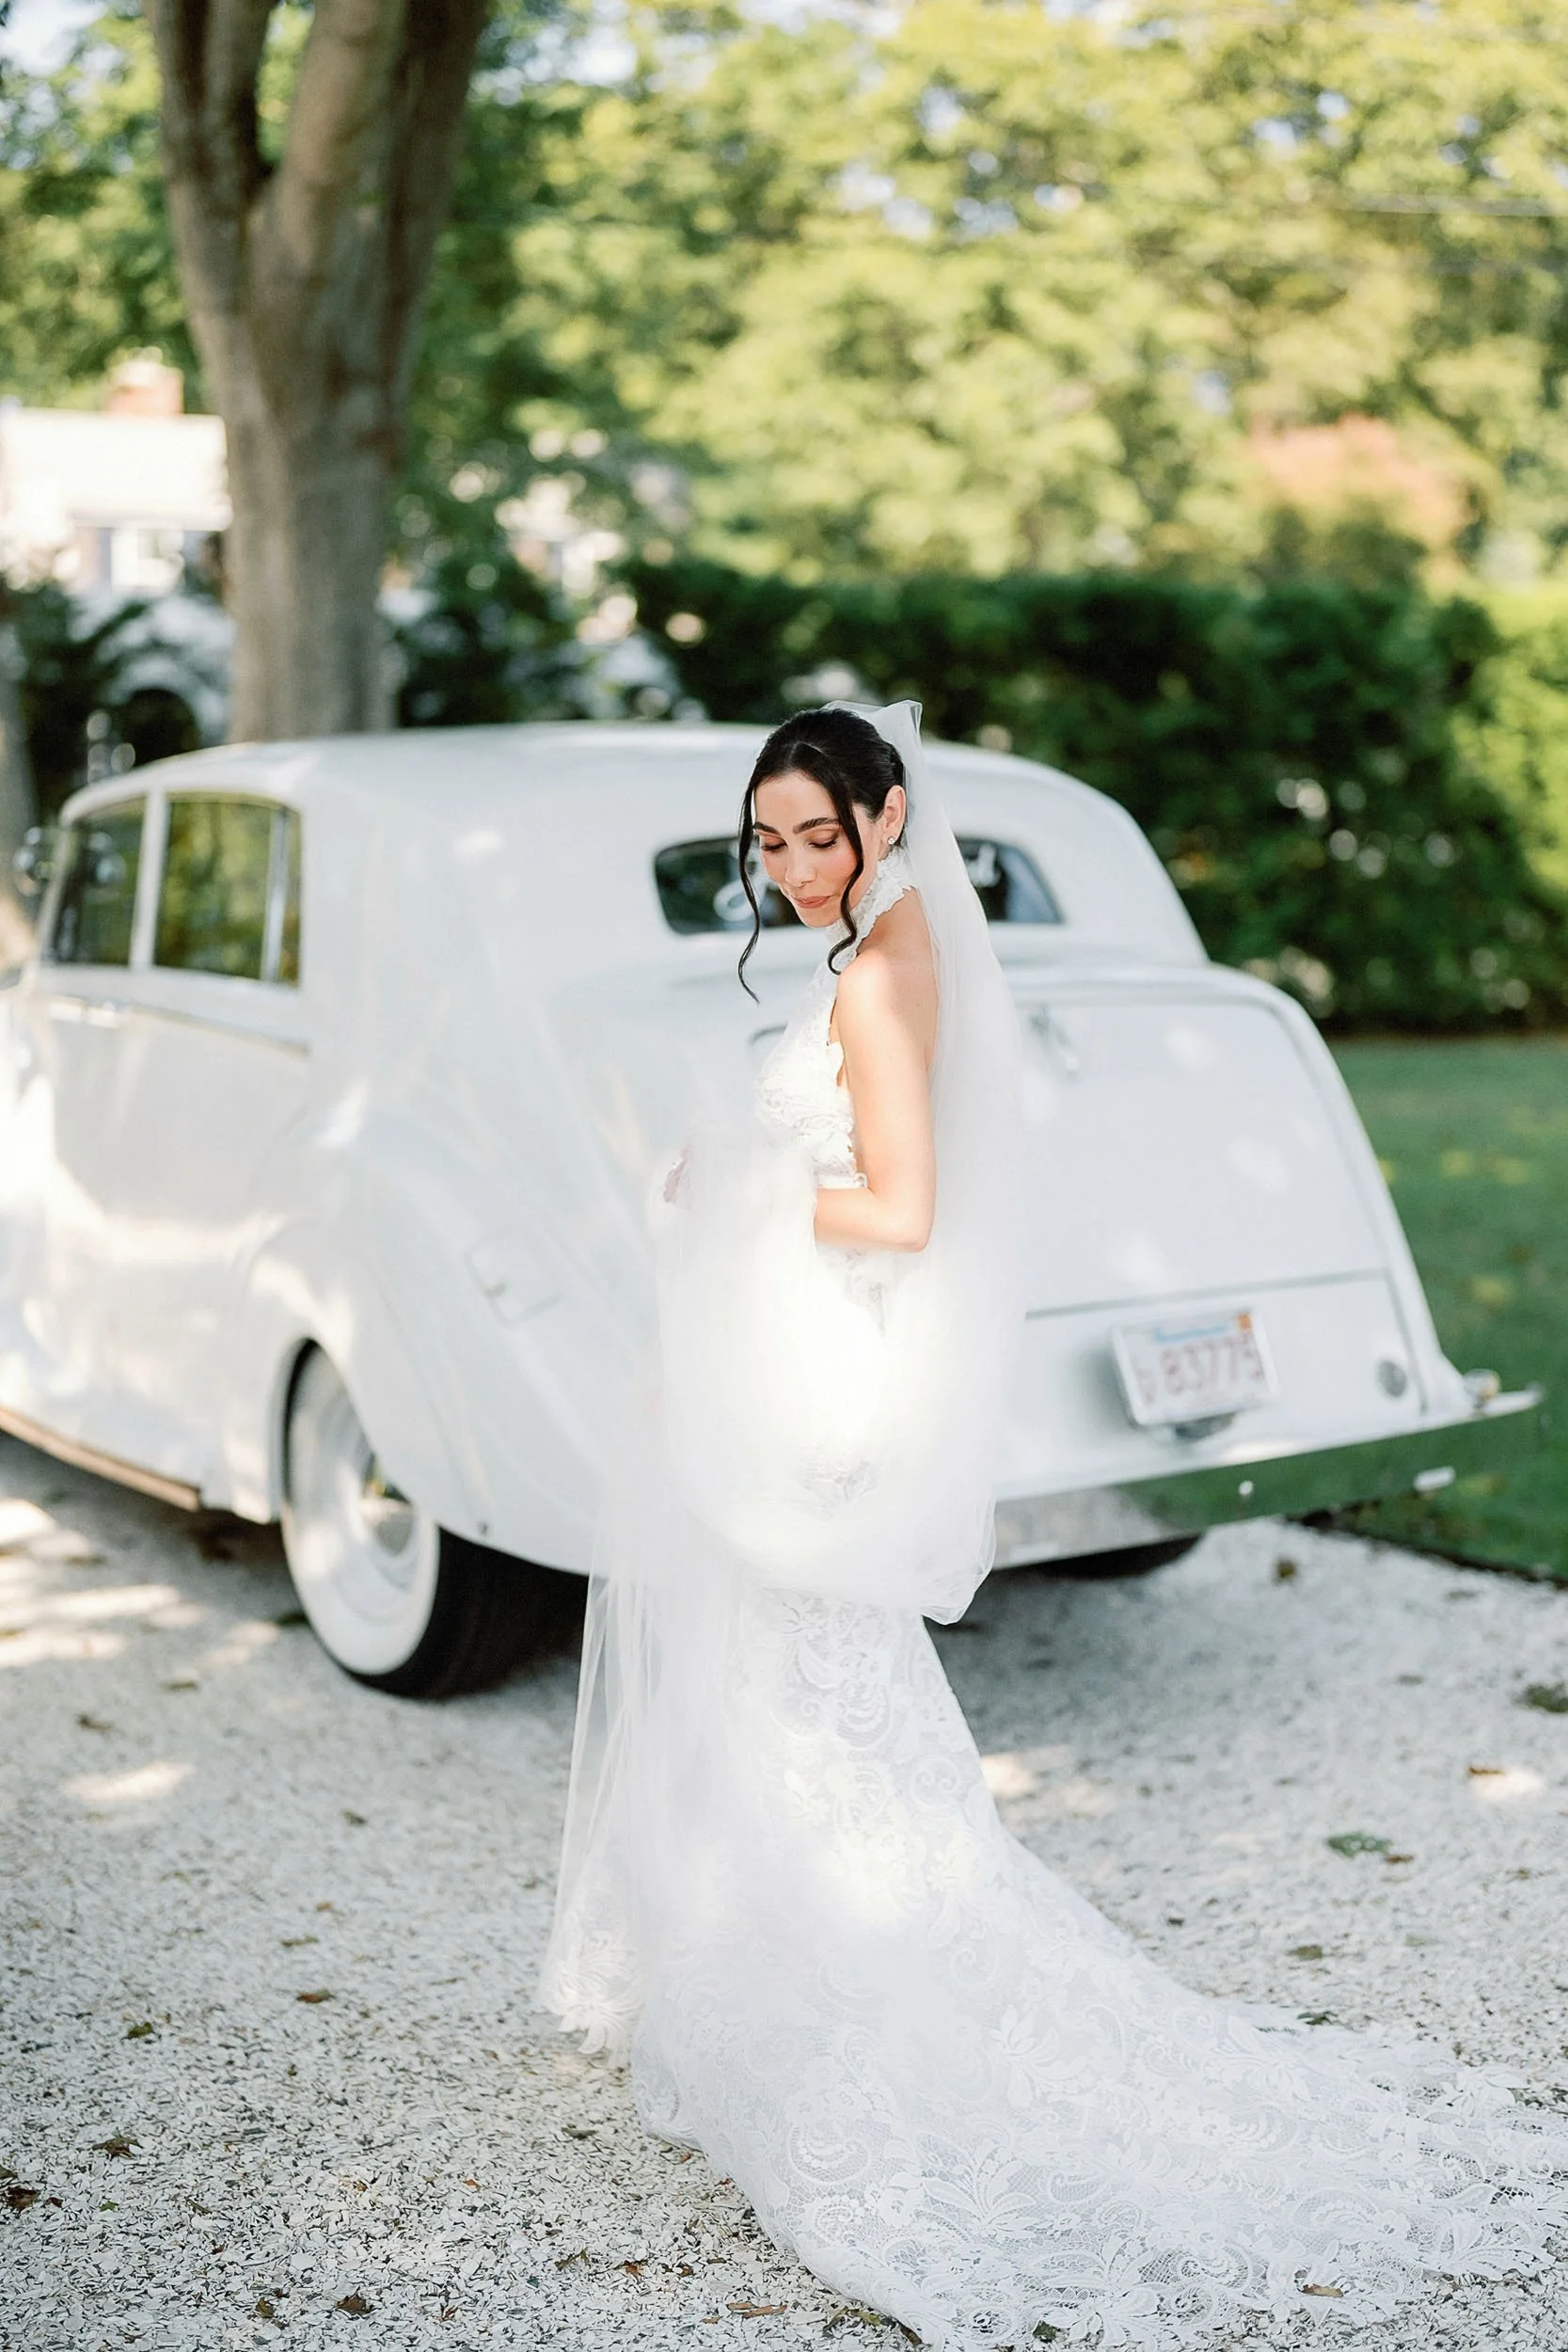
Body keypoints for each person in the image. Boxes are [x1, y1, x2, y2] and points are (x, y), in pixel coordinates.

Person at [540, 703, 1567, 2349]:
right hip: (804, 1356)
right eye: (768, 841)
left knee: (805, 1700)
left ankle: (857, 2009)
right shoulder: (889, 935)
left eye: (819, 835)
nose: (792, 868)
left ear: (886, 818)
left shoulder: (882, 970)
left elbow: (899, 1205)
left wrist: (736, 1176)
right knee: (789, 1700)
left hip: (818, 1384)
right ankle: (775, 1967)